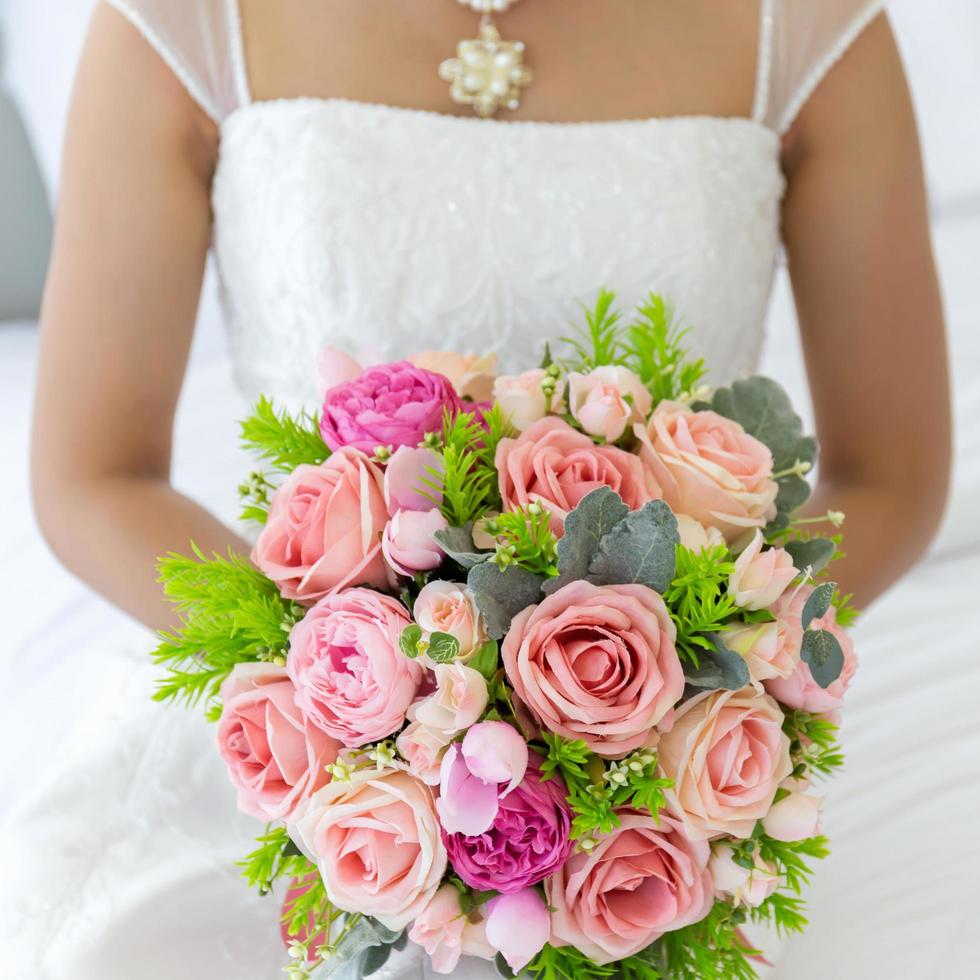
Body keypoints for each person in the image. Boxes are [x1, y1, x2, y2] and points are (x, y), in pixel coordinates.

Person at [13, 1, 949, 978]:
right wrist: (345, 687)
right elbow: (96, 474)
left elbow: (888, 475)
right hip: (310, 736)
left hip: (662, 801)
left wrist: (689, 682)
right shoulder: (176, 20)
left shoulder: (805, 25)